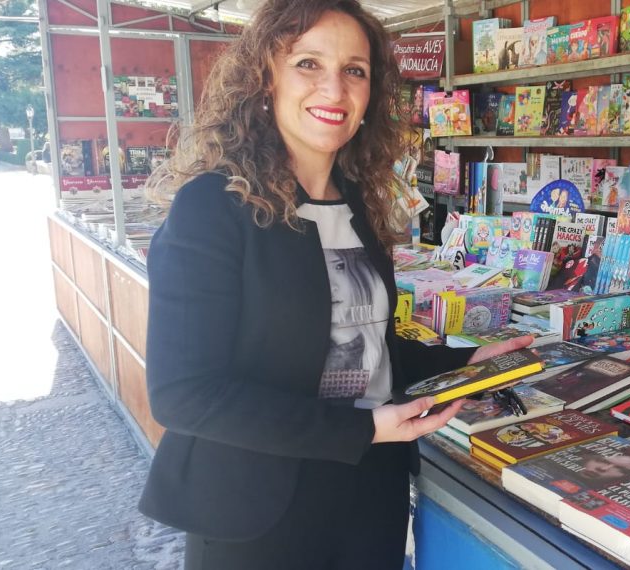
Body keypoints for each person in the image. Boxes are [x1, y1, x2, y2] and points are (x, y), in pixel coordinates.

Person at [136, 2, 530, 568]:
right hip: (257, 508)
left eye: (355, 70)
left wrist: (469, 362)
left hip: (370, 490)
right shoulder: (213, 207)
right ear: (264, 79)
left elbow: (368, 348)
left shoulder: (358, 204)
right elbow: (184, 393)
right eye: (307, 64)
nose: (335, 89)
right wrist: (363, 427)